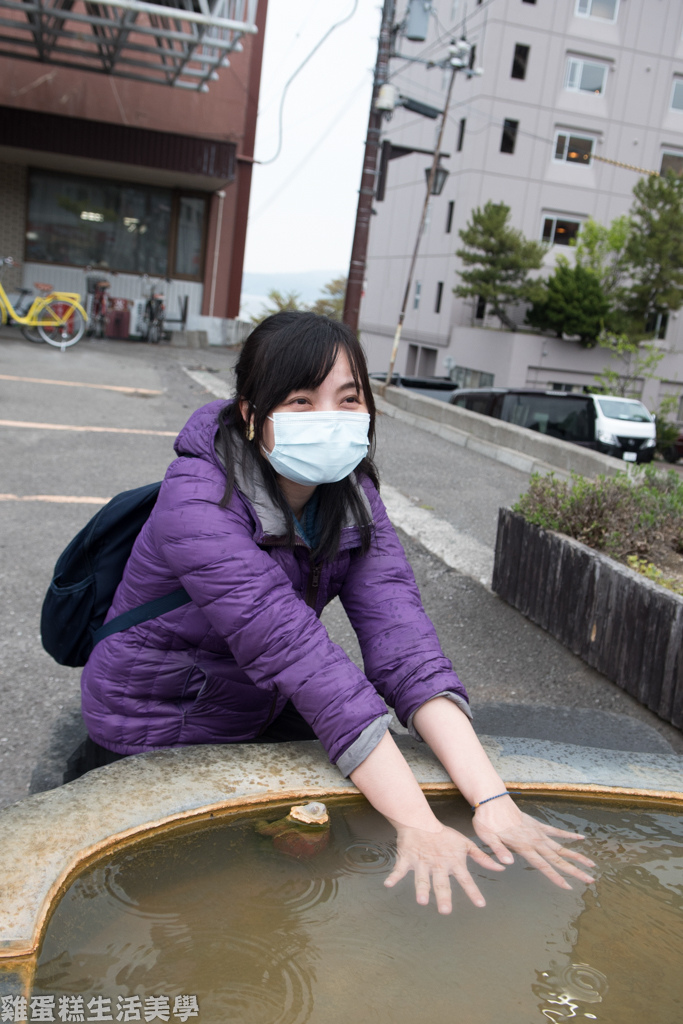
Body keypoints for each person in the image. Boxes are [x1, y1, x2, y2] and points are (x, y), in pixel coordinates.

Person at [73, 310, 595, 914]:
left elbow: (406, 647)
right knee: (201, 906)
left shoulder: (354, 498)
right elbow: (301, 657)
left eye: (348, 399)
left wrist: (492, 799)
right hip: (156, 718)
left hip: (254, 699)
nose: (329, 418)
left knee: (307, 868)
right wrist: (420, 824)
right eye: (301, 400)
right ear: (250, 415)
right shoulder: (196, 500)